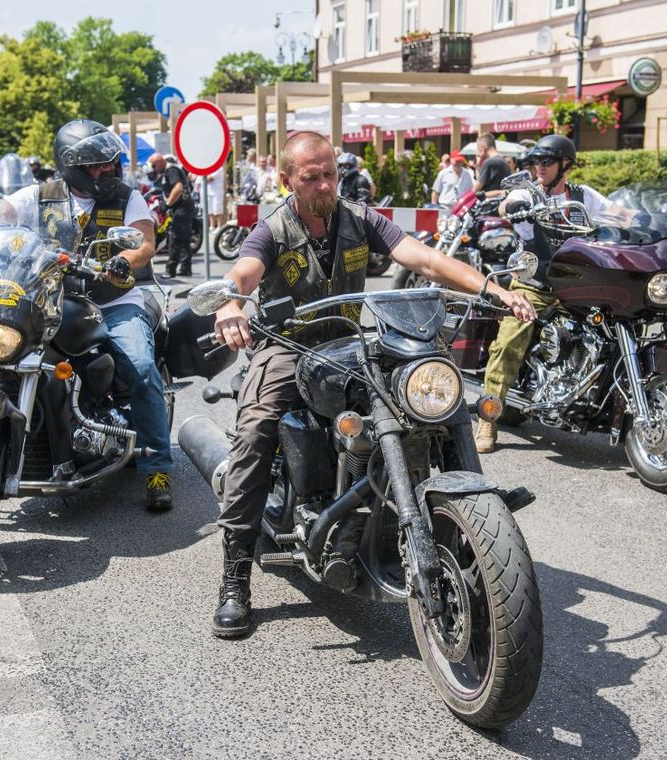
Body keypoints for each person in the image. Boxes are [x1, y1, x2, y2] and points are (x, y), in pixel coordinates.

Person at [206, 130, 537, 638]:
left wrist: (491, 288)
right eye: (311, 177)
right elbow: (244, 274)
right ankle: (235, 576)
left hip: (349, 344)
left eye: (329, 173)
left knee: (426, 399)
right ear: (288, 180)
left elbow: (424, 258)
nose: (323, 184)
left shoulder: (360, 219)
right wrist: (229, 305)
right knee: (256, 430)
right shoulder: (272, 230)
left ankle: (449, 513)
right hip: (288, 346)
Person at [0, 120, 173, 510]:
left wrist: (122, 260)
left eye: (111, 162)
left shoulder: (128, 198)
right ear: (72, 165)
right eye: (98, 165)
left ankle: (158, 470)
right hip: (50, 299)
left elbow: (144, 243)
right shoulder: (40, 195)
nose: (108, 170)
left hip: (112, 300)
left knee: (143, 368)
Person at [474, 134, 610, 454]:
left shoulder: (584, 197)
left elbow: (619, 213)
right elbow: (506, 203)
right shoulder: (528, 191)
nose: (539, 167)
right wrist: (512, 205)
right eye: (536, 161)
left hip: (577, 287)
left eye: (546, 162)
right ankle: (488, 417)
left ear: (566, 165)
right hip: (532, 285)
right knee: (508, 340)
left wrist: (656, 218)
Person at [147, 151, 195, 277]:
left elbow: (178, 188)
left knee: (175, 237)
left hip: (182, 208)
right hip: (183, 207)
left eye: (153, 165)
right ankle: (185, 268)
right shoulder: (168, 171)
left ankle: (171, 269)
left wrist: (168, 204)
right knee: (184, 238)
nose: (154, 169)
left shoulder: (171, 170)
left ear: (160, 162)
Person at [473, 133, 512, 199]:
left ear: (483, 147)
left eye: (478, 148)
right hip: (502, 202)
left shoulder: (489, 162)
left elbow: (476, 190)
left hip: (489, 205)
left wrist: (478, 164)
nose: (477, 151)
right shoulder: (504, 161)